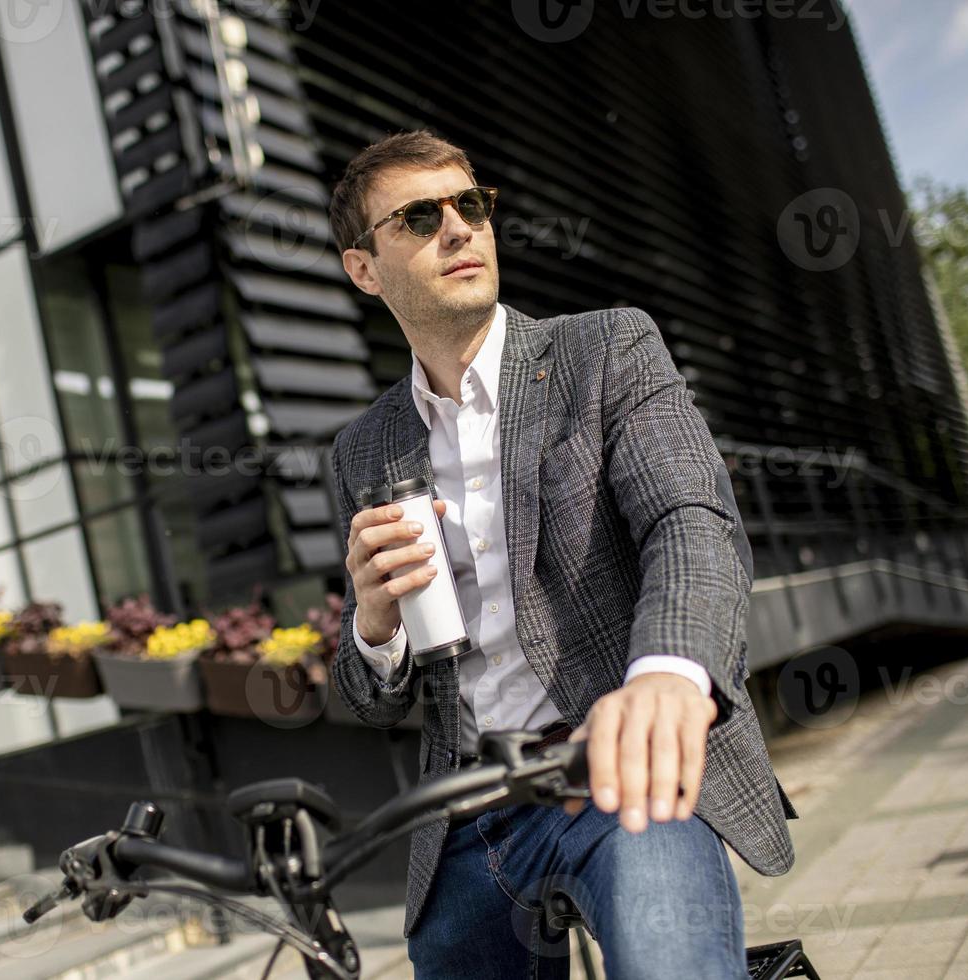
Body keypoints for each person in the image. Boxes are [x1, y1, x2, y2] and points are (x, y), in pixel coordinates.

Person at [326, 130, 798, 979]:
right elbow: (370, 702)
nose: (460, 229)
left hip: (615, 771)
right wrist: (372, 623)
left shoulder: (606, 350)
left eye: (471, 205)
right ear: (364, 269)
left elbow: (692, 522)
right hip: (469, 815)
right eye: (420, 217)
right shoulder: (364, 451)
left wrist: (667, 674)